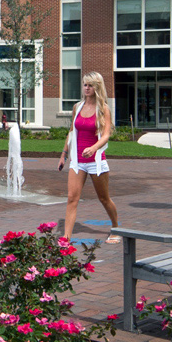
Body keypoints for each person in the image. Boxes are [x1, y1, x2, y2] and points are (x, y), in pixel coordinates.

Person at [57, 71, 120, 244]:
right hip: (77, 161)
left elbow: (106, 135)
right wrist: (63, 155)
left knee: (103, 198)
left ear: (97, 87)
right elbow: (72, 132)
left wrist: (93, 148)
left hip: (96, 162)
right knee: (72, 198)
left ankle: (116, 228)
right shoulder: (77, 107)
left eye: (90, 85)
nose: (86, 88)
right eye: (85, 84)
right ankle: (66, 238)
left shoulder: (103, 109)